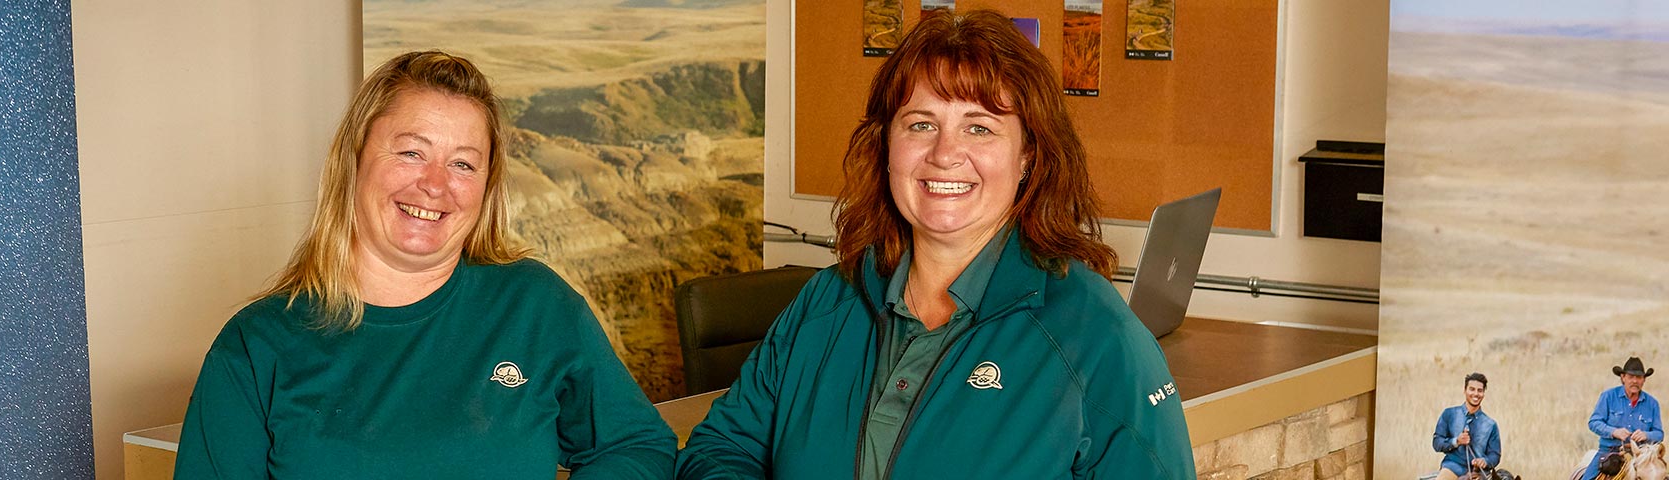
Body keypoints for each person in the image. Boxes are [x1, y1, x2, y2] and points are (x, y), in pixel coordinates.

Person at [676, 9, 1194, 479]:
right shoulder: (824, 303)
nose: (946, 154)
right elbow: (720, 450)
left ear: (1028, 157)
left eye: (980, 128)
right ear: (886, 146)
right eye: (921, 124)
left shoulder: (1098, 339)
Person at [174, 50, 676, 479]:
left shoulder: (535, 305)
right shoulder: (257, 346)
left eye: (462, 163)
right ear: (354, 161)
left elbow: (637, 446)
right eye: (412, 152)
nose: (435, 185)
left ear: (486, 186)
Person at [1580, 357, 1664, 480]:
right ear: (1623, 377)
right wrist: (1614, 432)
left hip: (1642, 456)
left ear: (1644, 380)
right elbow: (1594, 422)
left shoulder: (1652, 403)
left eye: (1639, 377)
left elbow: (1659, 434)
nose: (1635, 381)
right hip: (1609, 451)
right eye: (1631, 377)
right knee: (1587, 478)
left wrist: (1646, 435)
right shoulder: (1608, 396)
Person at [1433, 373, 1501, 479]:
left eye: (1480, 390)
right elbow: (1437, 443)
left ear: (1483, 393)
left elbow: (1495, 454)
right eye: (1472, 389)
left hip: (1479, 473)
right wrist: (1456, 441)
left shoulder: (1491, 424)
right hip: (1452, 468)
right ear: (1465, 391)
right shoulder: (1449, 414)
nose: (1476, 394)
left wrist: (1485, 461)